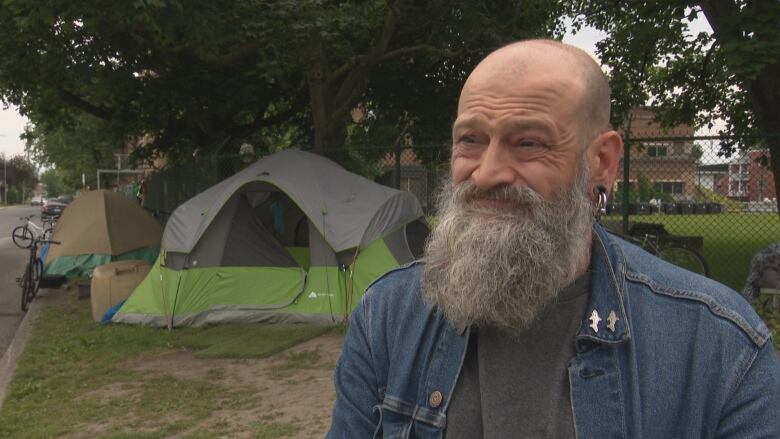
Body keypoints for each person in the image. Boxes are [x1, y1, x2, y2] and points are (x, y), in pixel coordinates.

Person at [327, 39, 780, 438]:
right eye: (470, 140)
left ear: (602, 162)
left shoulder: (716, 346)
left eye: (528, 143)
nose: (486, 173)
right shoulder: (387, 316)